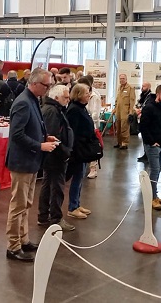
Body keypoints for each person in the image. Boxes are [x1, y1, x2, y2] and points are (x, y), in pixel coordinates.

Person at [5, 68, 58, 262]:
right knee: (18, 205)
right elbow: (17, 135)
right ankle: (12, 246)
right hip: (22, 161)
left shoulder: (33, 100)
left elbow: (30, 128)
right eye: (46, 85)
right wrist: (40, 145)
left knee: (26, 204)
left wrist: (45, 137)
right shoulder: (23, 103)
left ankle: (23, 239)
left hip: (31, 160)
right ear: (34, 83)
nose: (48, 88)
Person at [37, 84, 75, 232]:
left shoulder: (53, 109)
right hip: (55, 156)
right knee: (56, 187)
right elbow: (52, 136)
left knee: (48, 185)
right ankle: (56, 218)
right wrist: (64, 152)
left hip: (53, 156)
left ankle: (44, 215)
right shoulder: (52, 111)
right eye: (65, 97)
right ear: (56, 97)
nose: (68, 99)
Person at [139, 84, 161, 210]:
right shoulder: (149, 108)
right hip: (153, 146)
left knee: (157, 172)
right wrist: (152, 142)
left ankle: (155, 195)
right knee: (154, 171)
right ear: (158, 94)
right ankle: (151, 198)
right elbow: (143, 127)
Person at [66, 83, 95, 219]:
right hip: (78, 150)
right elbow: (73, 132)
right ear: (78, 95)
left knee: (81, 177)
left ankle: (77, 204)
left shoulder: (82, 108)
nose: (88, 95)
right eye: (86, 93)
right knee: (77, 178)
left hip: (83, 149)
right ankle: (72, 207)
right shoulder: (74, 110)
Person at [78, 76, 102, 179]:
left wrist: (90, 123)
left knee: (93, 146)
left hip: (92, 126)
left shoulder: (94, 96)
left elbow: (95, 114)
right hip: (85, 125)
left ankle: (93, 169)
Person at [114, 73, 135, 149]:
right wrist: (115, 108)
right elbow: (117, 99)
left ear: (126, 79)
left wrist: (130, 112)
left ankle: (124, 143)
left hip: (125, 111)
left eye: (123, 78)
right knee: (118, 127)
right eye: (120, 79)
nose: (121, 80)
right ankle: (119, 142)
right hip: (118, 111)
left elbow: (132, 101)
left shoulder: (130, 88)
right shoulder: (119, 88)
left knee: (124, 128)